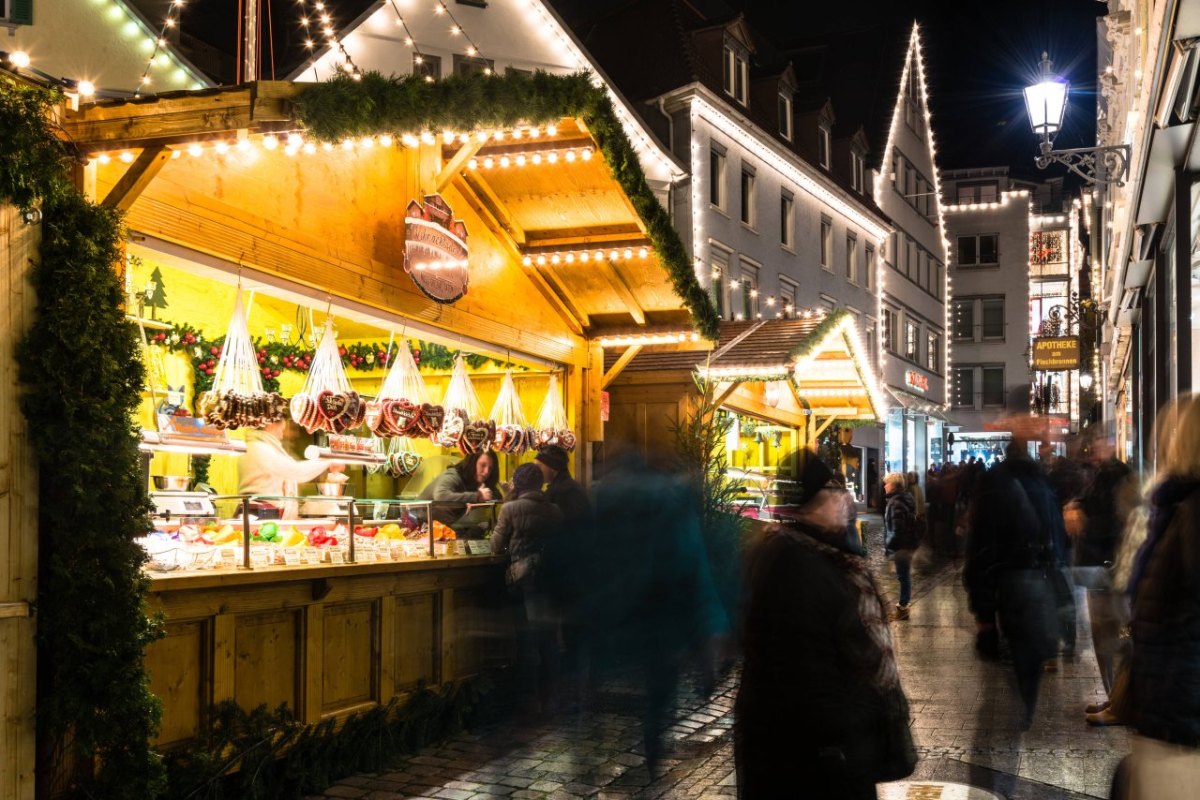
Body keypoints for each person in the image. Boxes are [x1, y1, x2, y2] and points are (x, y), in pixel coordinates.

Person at [736, 454, 915, 798]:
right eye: (831, 490)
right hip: (816, 757)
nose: (844, 499)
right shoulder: (797, 566)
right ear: (806, 504)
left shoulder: (820, 555)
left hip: (823, 750)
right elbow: (802, 668)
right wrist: (844, 732)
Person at [588, 451, 727, 777]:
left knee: (621, 682)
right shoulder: (675, 509)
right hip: (663, 617)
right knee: (658, 685)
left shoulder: (608, 501)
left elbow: (595, 556)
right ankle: (652, 744)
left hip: (623, 613)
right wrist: (711, 628)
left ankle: (604, 749)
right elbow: (694, 569)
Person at [1112, 394, 1200, 797]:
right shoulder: (1175, 507)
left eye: (1165, 435)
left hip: (1181, 722)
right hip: (1169, 711)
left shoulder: (1190, 512)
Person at [964, 438, 1070, 728]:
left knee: (1015, 647)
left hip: (1008, 579)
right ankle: (1025, 703)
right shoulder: (1043, 483)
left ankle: (1017, 708)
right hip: (1039, 577)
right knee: (1029, 650)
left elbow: (980, 546)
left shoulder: (994, 483)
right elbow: (1059, 536)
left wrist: (983, 612)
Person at [1068, 436, 1137, 721]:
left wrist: (1082, 518)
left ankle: (1121, 703)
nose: (1092, 450)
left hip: (1109, 566)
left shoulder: (1116, 475)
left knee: (1112, 635)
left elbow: (1114, 519)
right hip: (1103, 565)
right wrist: (1077, 505)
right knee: (1105, 635)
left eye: (1098, 445)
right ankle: (1115, 700)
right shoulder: (1103, 475)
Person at [491, 462, 565, 715]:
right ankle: (553, 696)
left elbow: (495, 545)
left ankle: (528, 699)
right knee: (549, 639)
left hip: (523, 578)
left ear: (517, 483)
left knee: (525, 639)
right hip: (550, 578)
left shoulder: (510, 508)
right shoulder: (555, 510)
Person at [239, 418, 342, 519]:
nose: (282, 435)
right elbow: (297, 472)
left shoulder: (262, 446)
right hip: (260, 513)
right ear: (270, 425)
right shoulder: (259, 448)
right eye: (281, 430)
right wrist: (328, 460)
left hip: (263, 513)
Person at [417, 450, 502, 537]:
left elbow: (497, 496)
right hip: (418, 526)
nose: (486, 471)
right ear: (472, 463)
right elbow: (441, 496)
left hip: (441, 529)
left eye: (490, 468)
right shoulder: (453, 475)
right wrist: (478, 496)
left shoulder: (477, 481)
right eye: (482, 465)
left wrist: (486, 496)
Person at [884, 472, 919, 621]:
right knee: (903, 574)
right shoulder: (903, 498)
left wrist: (890, 544)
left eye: (887, 483)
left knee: (903, 575)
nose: (885, 486)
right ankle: (904, 602)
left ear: (893, 485)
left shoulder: (896, 502)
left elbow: (898, 528)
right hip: (906, 544)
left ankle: (904, 604)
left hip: (901, 545)